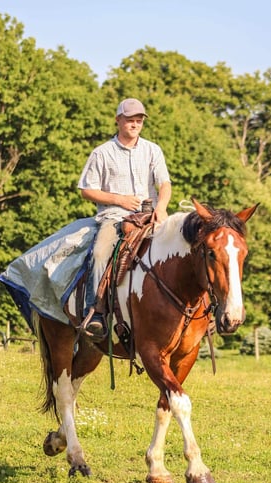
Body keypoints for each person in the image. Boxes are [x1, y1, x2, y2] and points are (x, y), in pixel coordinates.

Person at [78, 98, 172, 341]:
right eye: (130, 119)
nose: (135, 123)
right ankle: (96, 312)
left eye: (139, 119)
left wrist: (161, 207)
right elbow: (87, 190)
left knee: (184, 246)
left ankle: (201, 311)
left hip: (150, 216)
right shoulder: (102, 153)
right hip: (115, 217)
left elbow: (164, 183)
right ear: (118, 120)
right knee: (100, 253)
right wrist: (119, 200)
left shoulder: (153, 150)